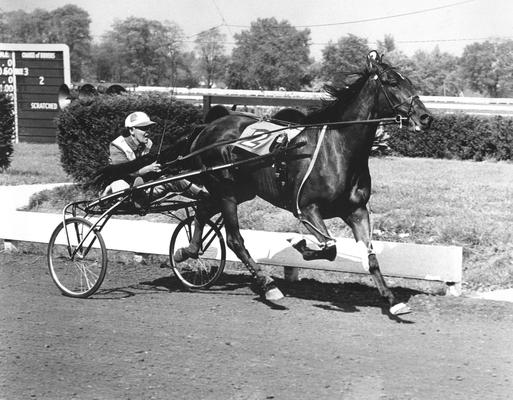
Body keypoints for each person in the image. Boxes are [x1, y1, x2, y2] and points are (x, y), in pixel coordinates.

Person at [104, 111, 209, 203]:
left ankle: (205, 197)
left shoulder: (148, 144)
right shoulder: (118, 146)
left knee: (173, 179)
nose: (147, 133)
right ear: (131, 130)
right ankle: (128, 197)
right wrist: (143, 171)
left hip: (143, 187)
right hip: (122, 187)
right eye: (143, 129)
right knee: (119, 183)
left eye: (148, 128)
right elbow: (119, 173)